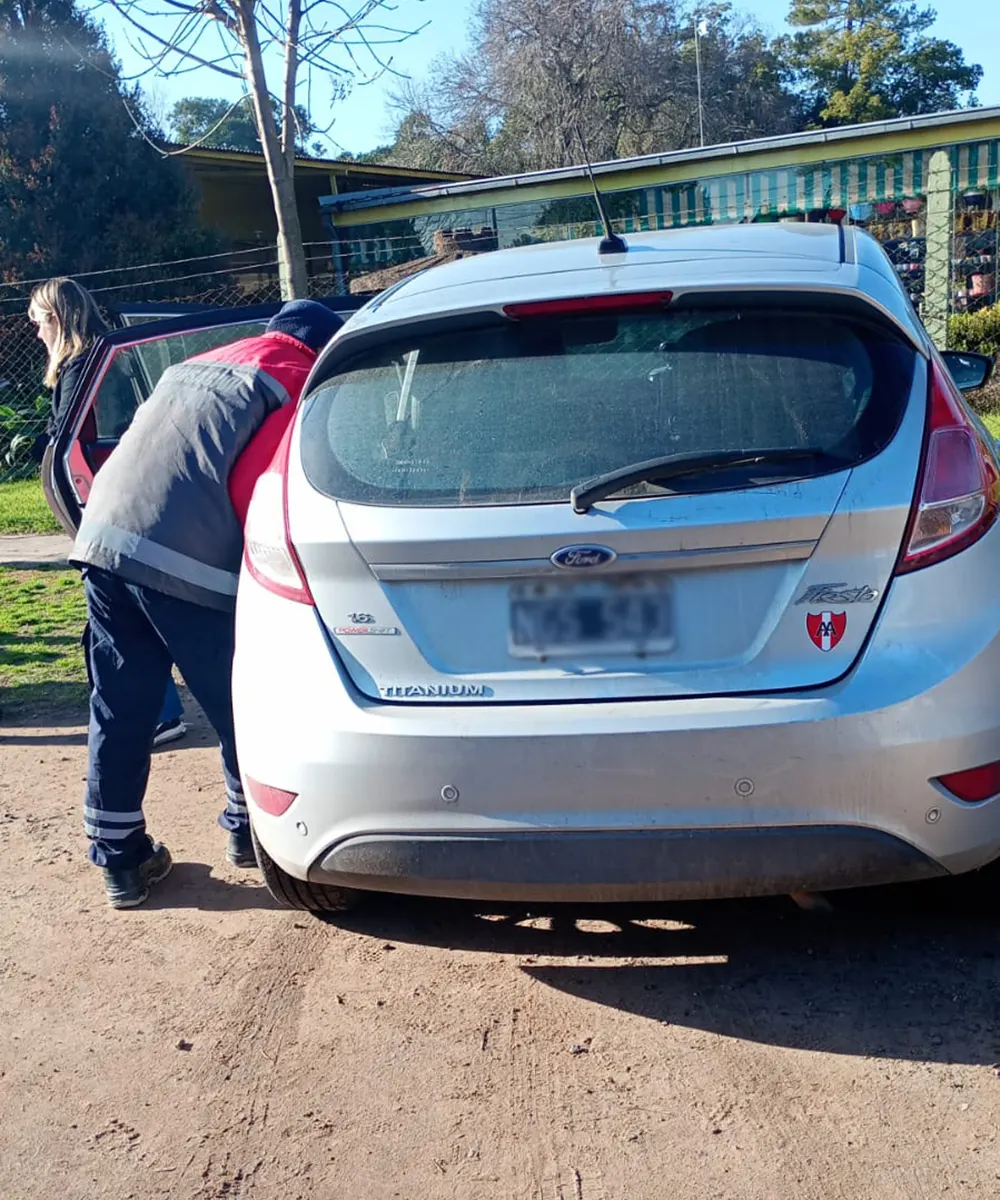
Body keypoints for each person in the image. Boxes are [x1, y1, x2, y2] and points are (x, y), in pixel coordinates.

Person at [71, 299, 342, 908]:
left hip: (103, 539)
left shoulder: (205, 363)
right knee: (241, 702)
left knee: (121, 701)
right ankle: (250, 832)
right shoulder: (297, 382)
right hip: (183, 557)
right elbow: (261, 490)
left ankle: (120, 861)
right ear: (321, 348)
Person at [28, 277, 187, 747]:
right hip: (114, 502)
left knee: (122, 615)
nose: (36, 333)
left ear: (56, 320)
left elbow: (78, 437)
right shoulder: (97, 360)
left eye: (38, 322)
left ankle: (159, 711)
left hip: (113, 506)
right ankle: (157, 708)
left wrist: (45, 447)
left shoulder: (87, 366)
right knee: (123, 612)